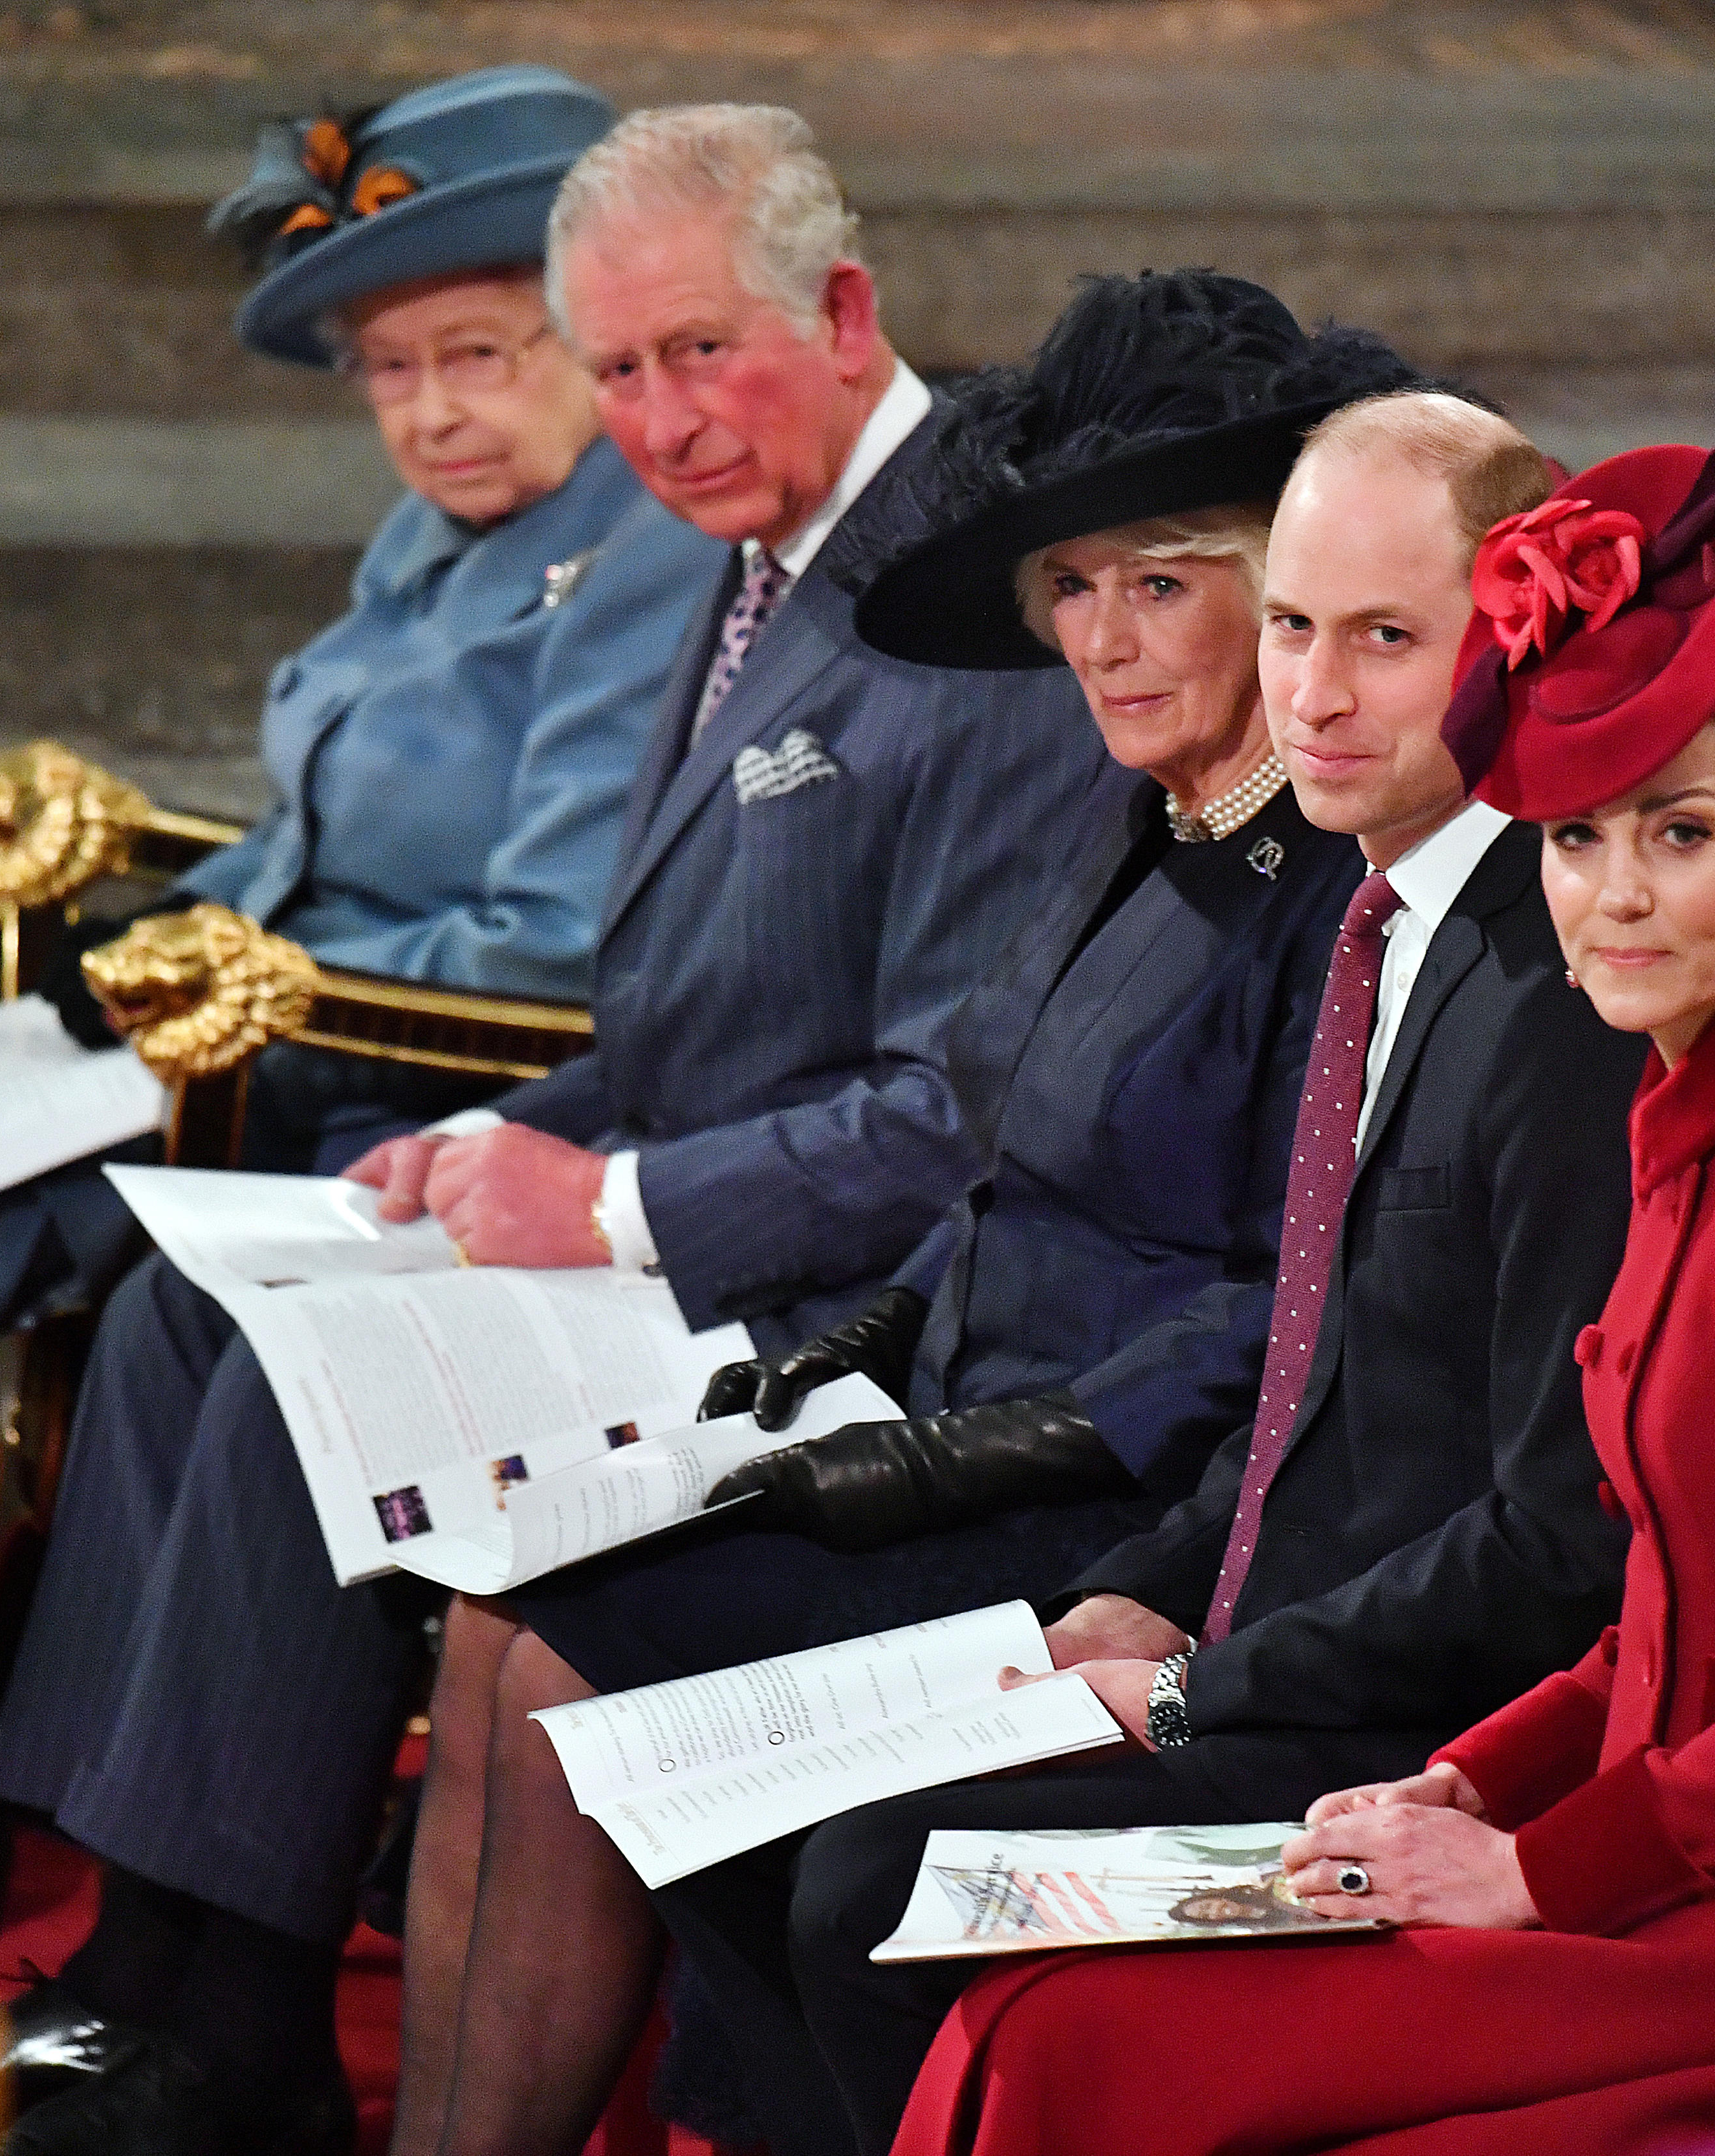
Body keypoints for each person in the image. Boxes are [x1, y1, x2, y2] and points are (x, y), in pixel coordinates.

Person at [0, 104, 1121, 2156]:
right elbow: (689, 1006)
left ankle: (227, 2021)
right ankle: (143, 1955)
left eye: (702, 352)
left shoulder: (971, 592)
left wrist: (603, 1196)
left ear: (843, 312)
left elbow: (966, 1105)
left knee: (298, 1377)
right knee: (197, 1301)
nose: (660, 419)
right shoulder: (748, 541)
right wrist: (497, 1134)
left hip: (866, 1302)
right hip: (703, 1207)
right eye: (616, 370)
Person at [0, 64, 715, 1937]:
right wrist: (141, 897)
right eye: (393, 371)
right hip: (279, 1022)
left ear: (591, 333)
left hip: (409, 1078)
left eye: (481, 350)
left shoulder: (646, 547)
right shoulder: (440, 534)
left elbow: (556, 947)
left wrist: (240, 982)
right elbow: (311, 845)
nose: (437, 410)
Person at [886, 442, 1715, 2156]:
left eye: (1684, 831)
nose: (1619, 891)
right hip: (1621, 1830)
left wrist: (1531, 1857)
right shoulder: (1695, 1110)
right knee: (1025, 1990)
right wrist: (1470, 1777)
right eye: (1577, 837)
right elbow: (1654, 1613)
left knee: (1079, 2038)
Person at [386, 268, 1413, 2156]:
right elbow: (1001, 1154)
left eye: (1161, 584)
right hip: (952, 1434)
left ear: (1278, 597)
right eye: (1075, 589)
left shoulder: (1324, 886)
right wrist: (857, 1356)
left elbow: (1283, 1306)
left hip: (1111, 1500)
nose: (1104, 638)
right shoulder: (1140, 811)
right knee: (495, 1604)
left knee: (549, 1661)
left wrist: (947, 1456)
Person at [634, 389, 1648, 2156]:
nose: (1316, 695)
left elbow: (1558, 1531)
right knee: (718, 1811)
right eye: (1294, 629)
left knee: (863, 1880)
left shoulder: (1556, 994)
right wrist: (1148, 1583)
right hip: (1257, 1632)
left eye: (1387, 639)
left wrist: (1194, 1682)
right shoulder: (1377, 912)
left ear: (1509, 645)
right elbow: (1315, 1384)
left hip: (1413, 1734)